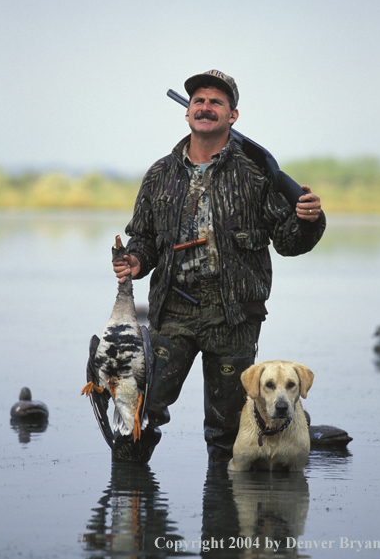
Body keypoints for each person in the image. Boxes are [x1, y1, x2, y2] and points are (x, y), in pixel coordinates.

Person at [113, 69, 326, 465]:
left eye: (216, 102)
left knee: (229, 432)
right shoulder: (160, 174)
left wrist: (308, 219)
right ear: (188, 111)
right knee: (138, 412)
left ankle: (223, 521)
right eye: (199, 101)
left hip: (234, 316)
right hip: (172, 310)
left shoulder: (257, 174)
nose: (205, 107)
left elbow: (288, 242)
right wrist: (136, 261)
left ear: (233, 115)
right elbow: (143, 237)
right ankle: (129, 506)